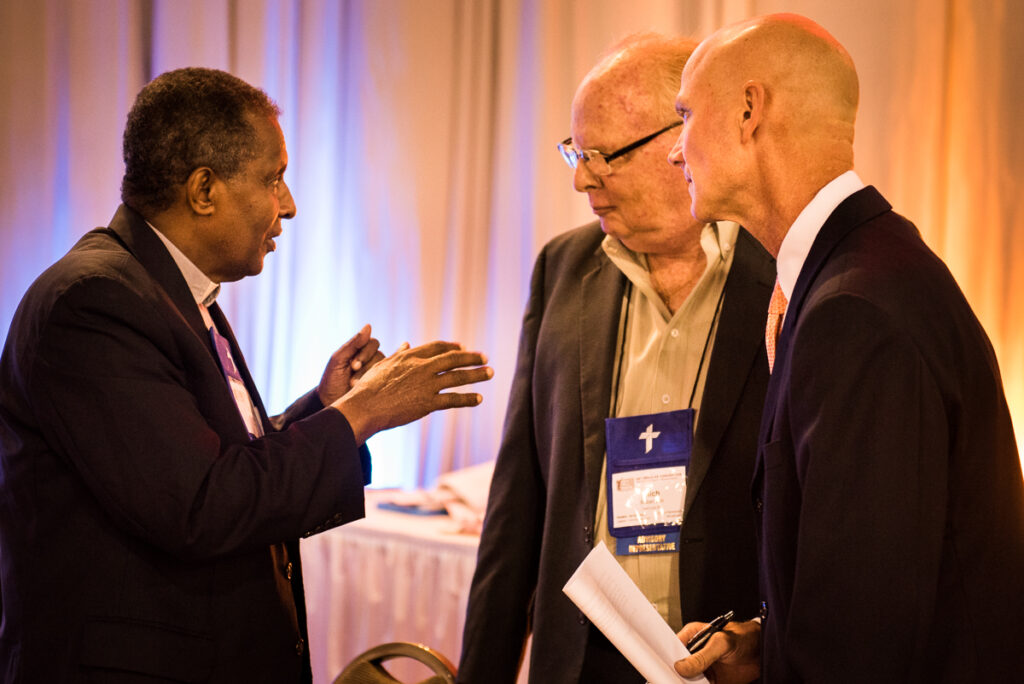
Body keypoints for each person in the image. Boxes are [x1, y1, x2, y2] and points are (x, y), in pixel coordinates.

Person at [0, 67, 492, 683]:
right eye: (274, 178)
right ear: (204, 190)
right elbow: (201, 505)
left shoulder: (167, 290)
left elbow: (202, 459)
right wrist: (362, 413)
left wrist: (324, 407)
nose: (287, 206)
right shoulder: (93, 302)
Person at [668, 13, 1024, 683]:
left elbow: (862, 650)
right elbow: (875, 576)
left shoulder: (855, 311)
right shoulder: (865, 269)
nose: (674, 149)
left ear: (749, 110)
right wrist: (766, 645)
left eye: (685, 113)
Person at [458, 35, 774, 683]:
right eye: (575, 153)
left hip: (718, 661)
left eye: (604, 155)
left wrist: (770, 639)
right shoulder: (563, 268)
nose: (581, 179)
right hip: (578, 660)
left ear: (683, 138)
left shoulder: (780, 277)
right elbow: (519, 505)